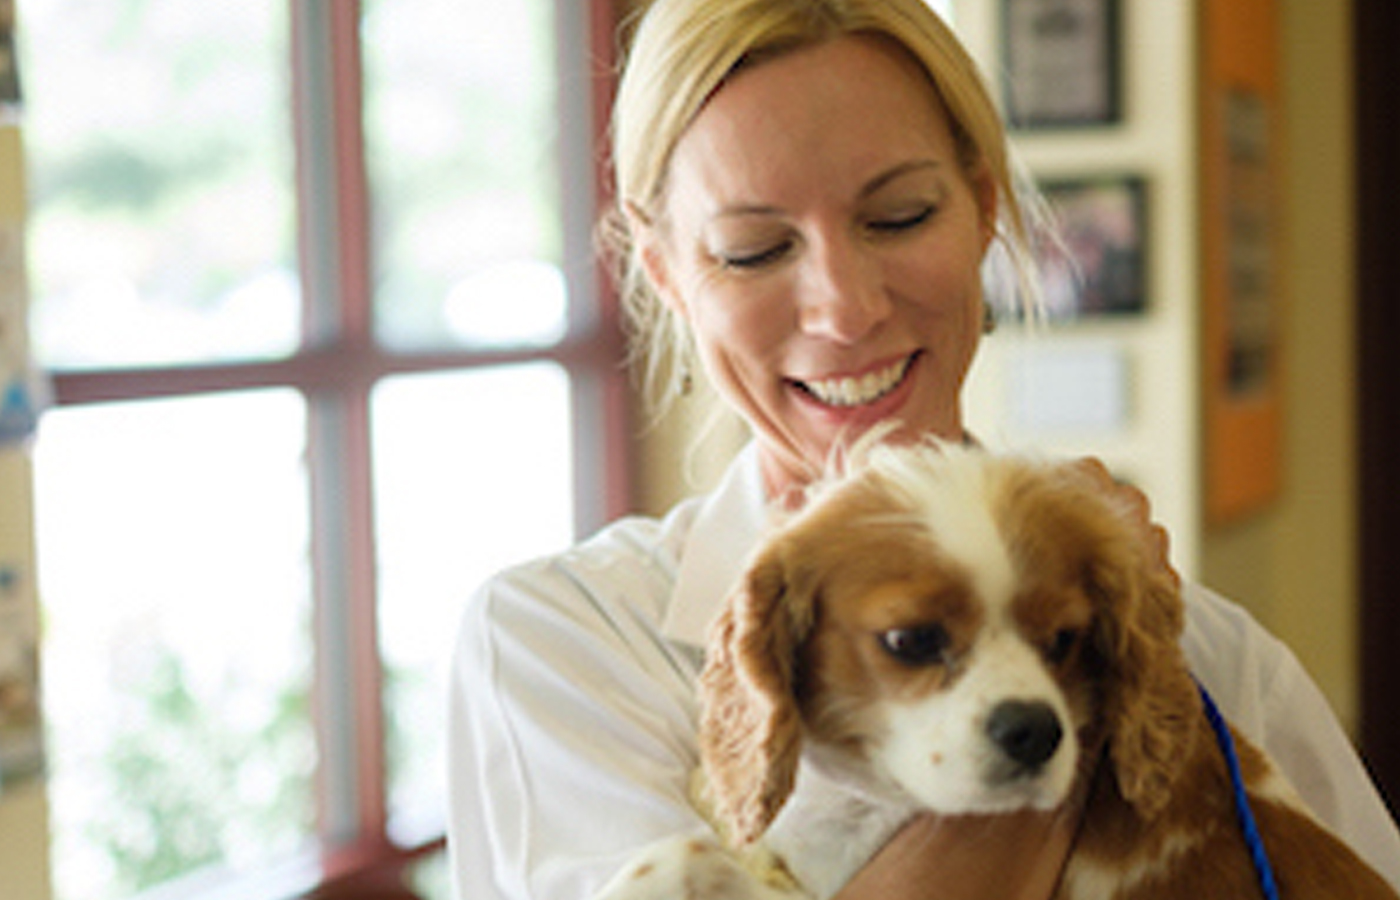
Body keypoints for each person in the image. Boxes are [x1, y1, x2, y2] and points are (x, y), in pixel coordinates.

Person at [447, 1, 1400, 897]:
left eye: (899, 216)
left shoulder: (1210, 652)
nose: (845, 306)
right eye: (753, 249)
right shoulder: (563, 644)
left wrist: (1116, 637)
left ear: (983, 211)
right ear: (665, 276)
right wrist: (1064, 692)